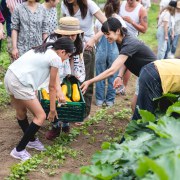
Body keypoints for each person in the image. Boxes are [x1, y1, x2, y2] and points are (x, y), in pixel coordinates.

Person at [4, 37, 75, 161]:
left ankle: (31, 140)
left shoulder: (45, 49)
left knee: (21, 112)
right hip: (21, 83)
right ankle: (19, 150)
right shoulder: (56, 58)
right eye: (68, 55)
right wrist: (52, 110)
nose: (67, 59)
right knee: (41, 116)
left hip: (10, 76)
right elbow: (52, 87)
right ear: (62, 51)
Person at [80, 17, 157, 118]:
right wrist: (120, 76)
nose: (107, 37)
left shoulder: (129, 42)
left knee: (145, 109)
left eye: (108, 34)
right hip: (144, 74)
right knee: (135, 107)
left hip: (153, 75)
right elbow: (126, 59)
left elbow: (112, 70)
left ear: (117, 31)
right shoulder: (121, 39)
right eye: (105, 35)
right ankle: (139, 129)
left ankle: (146, 130)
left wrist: (90, 81)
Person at [42, 17, 85, 140]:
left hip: (67, 73)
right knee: (54, 97)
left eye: (74, 35)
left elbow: (75, 58)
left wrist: (73, 74)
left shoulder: (78, 41)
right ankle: (55, 126)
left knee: (68, 98)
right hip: (52, 72)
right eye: (68, 35)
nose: (72, 37)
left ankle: (65, 123)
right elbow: (50, 65)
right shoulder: (52, 41)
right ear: (60, 33)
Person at [61, 0, 106, 118]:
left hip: (86, 48)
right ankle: (71, 109)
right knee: (68, 79)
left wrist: (93, 39)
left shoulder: (89, 4)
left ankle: (83, 113)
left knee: (85, 81)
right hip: (69, 47)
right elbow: (64, 25)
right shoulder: (65, 4)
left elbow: (107, 23)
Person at [94, 0, 127, 107]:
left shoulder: (99, 18)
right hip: (114, 50)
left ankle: (99, 99)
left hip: (101, 50)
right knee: (113, 74)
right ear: (118, 7)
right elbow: (124, 33)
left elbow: (95, 31)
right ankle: (110, 100)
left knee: (100, 74)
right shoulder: (119, 20)